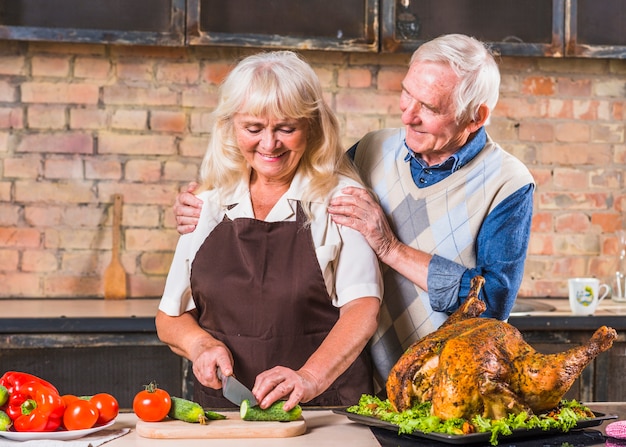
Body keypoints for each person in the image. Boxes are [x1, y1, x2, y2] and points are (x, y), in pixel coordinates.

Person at [172, 34, 535, 385]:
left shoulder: (507, 182)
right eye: (406, 95)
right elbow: (299, 175)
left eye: (429, 107)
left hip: (450, 382)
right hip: (369, 381)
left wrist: (391, 248)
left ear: (476, 117)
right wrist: (200, 204)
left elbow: (491, 303)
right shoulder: (372, 150)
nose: (408, 116)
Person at [156, 50, 383, 412]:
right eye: (253, 128)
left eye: (286, 128)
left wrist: (308, 377)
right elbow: (170, 316)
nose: (269, 143)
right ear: (231, 126)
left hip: (325, 411)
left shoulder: (339, 200)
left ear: (312, 126)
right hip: (225, 413)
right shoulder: (208, 203)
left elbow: (362, 310)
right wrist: (199, 345)